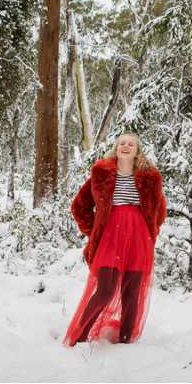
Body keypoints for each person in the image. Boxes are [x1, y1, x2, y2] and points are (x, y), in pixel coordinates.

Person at [63, 132, 167, 346]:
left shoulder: (150, 177)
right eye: (122, 143)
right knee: (105, 289)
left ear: (138, 151)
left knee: (132, 291)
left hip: (138, 239)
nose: (126, 146)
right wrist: (94, 231)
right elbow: (79, 205)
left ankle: (125, 341)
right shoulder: (101, 174)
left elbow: (160, 210)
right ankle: (80, 338)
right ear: (116, 147)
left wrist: (150, 233)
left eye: (131, 144)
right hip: (110, 237)